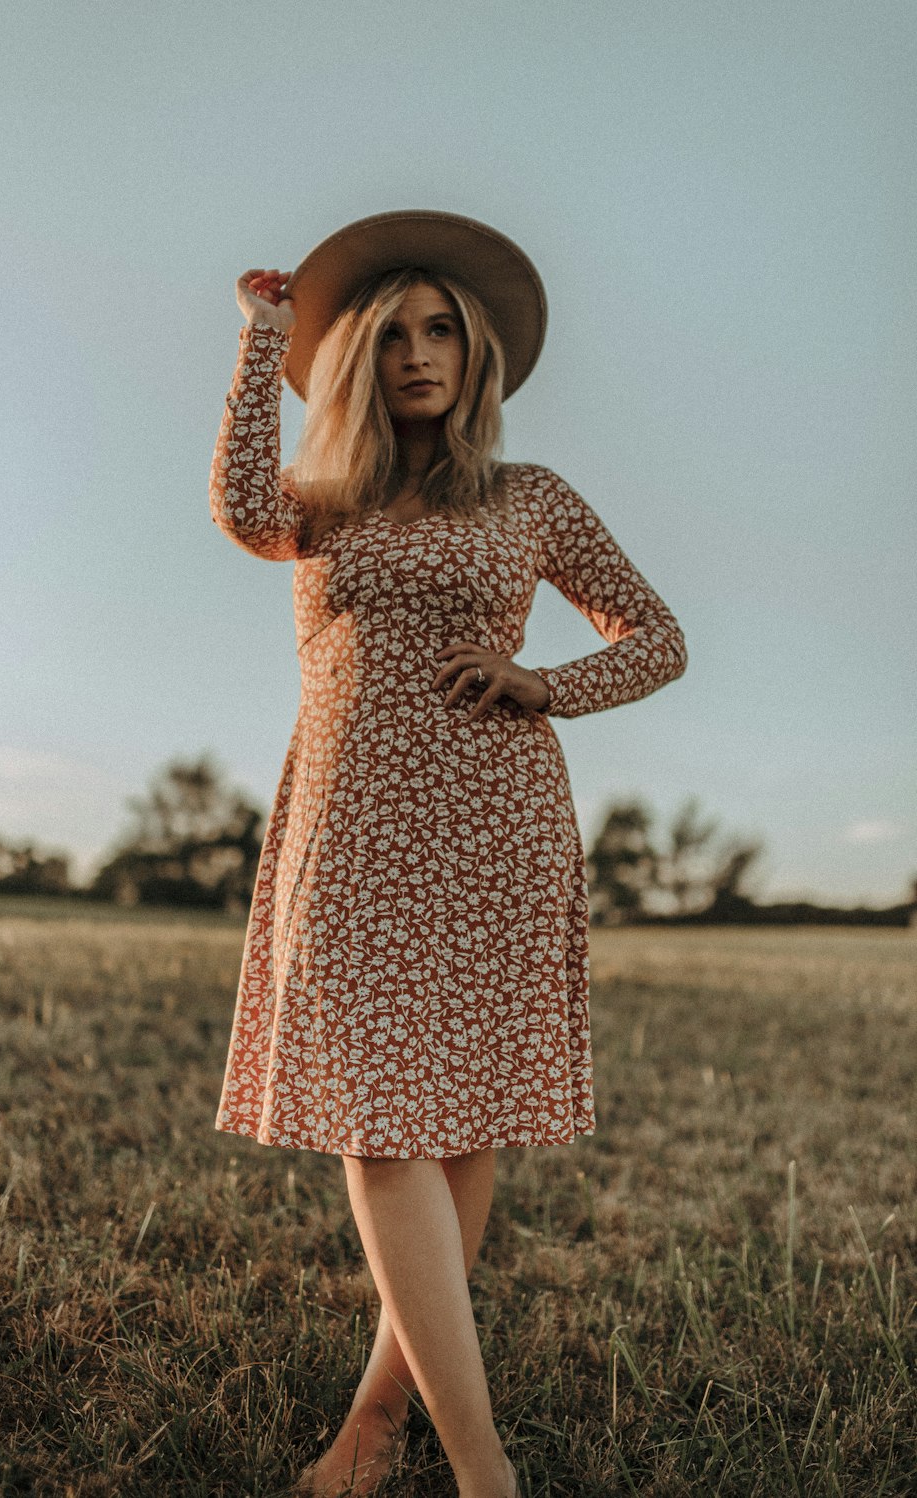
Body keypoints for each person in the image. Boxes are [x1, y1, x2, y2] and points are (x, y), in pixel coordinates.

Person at [208, 211, 688, 1498]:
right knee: (382, 1120)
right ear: (359, 355)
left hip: (495, 827)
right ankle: (487, 1469)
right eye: (393, 333)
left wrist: (545, 682)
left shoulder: (529, 499)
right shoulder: (322, 502)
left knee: (459, 1120)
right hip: (351, 825)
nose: (418, 353)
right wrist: (264, 344)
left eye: (441, 332)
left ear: (475, 358)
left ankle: (378, 1426)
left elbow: (658, 636)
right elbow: (242, 507)